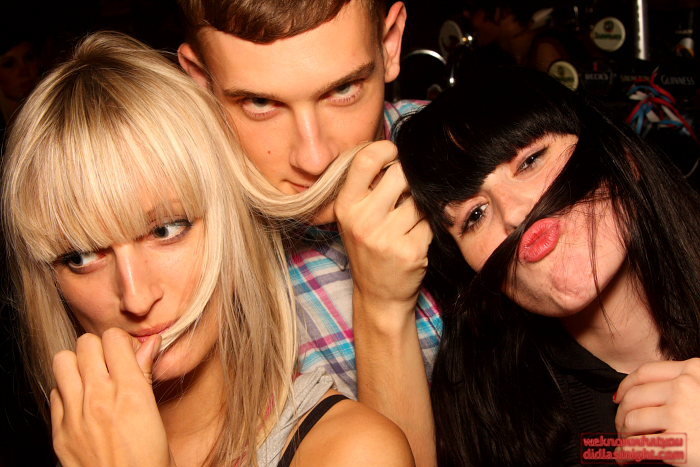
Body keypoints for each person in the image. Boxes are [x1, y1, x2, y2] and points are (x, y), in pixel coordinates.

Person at [1, 31, 413, 466]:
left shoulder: (353, 452)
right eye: (82, 257)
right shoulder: (70, 451)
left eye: (166, 230)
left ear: (230, 223)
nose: (136, 298)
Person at [176, 1, 441, 463]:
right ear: (201, 81)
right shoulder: (180, 266)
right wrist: (381, 307)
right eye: (261, 103)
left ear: (390, 43)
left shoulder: (489, 157)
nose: (315, 158)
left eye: (343, 89)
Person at [395, 67, 700, 466]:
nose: (514, 214)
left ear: (621, 158)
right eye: (475, 215)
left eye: (530, 161)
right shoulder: (493, 418)